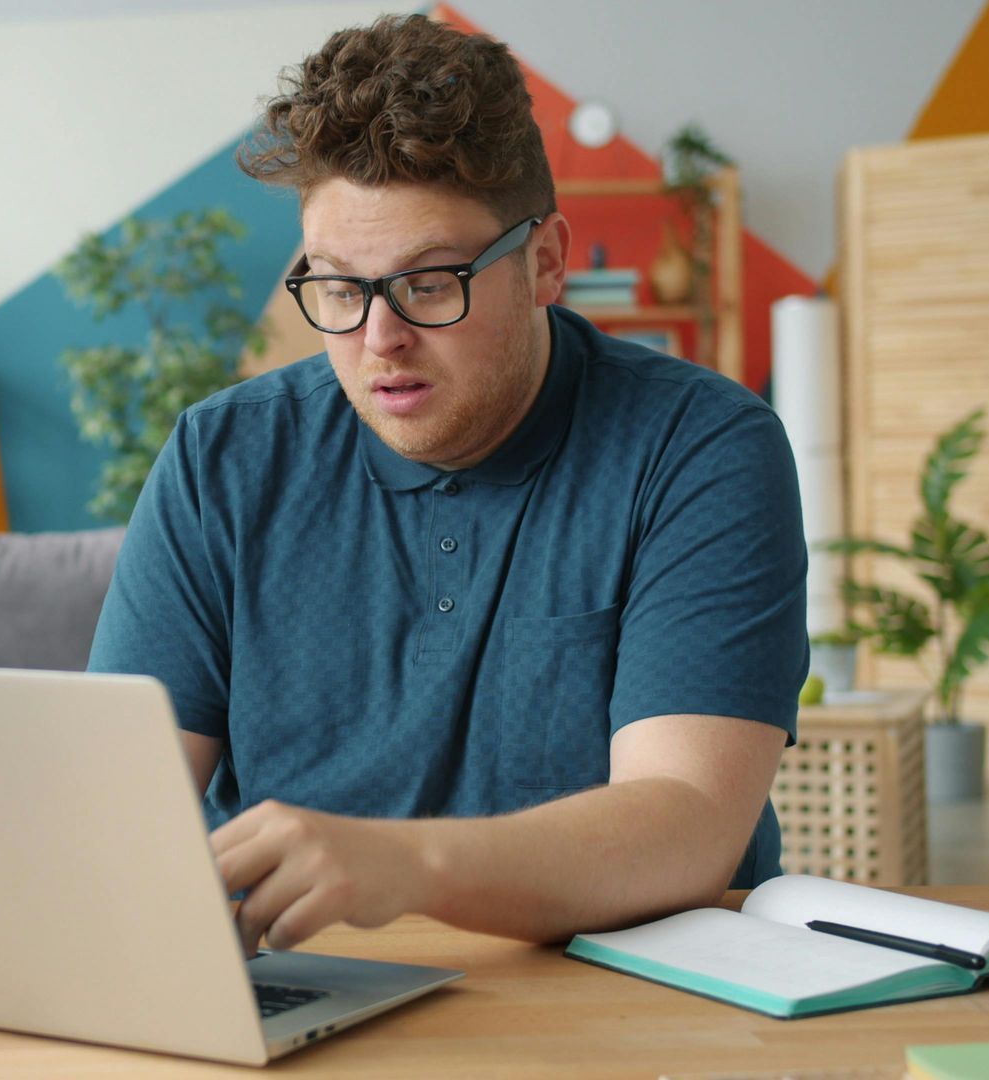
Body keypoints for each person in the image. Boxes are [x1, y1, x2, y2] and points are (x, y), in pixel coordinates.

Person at [87, 14, 806, 951]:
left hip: (620, 997)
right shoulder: (222, 458)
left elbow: (689, 827)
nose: (378, 339)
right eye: (339, 287)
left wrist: (407, 866)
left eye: (429, 283)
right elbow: (119, 812)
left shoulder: (700, 447)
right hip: (311, 998)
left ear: (545, 262)